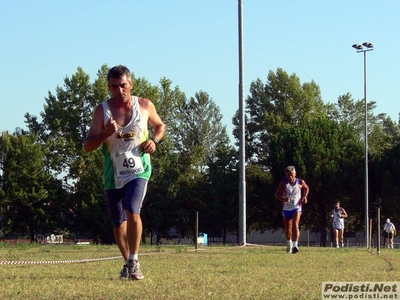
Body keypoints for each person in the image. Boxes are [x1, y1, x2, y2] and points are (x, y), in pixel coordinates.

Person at [84, 65, 166, 280]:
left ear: (130, 84)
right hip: (113, 173)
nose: (119, 91)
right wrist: (105, 133)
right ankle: (127, 261)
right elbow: (88, 145)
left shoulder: (145, 105)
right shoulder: (102, 111)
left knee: (133, 209)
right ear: (109, 87)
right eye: (114, 87)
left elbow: (160, 126)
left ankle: (135, 260)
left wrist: (154, 141)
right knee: (118, 223)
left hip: (139, 169)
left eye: (123, 86)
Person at [274, 166, 309, 254]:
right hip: (286, 208)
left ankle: (295, 245)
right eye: (288, 175)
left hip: (297, 207)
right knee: (288, 228)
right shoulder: (283, 183)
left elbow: (306, 188)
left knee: (295, 225)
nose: (290, 177)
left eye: (291, 175)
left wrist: (305, 196)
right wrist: (284, 199)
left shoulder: (300, 182)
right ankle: (289, 243)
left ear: (295, 174)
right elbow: (277, 195)